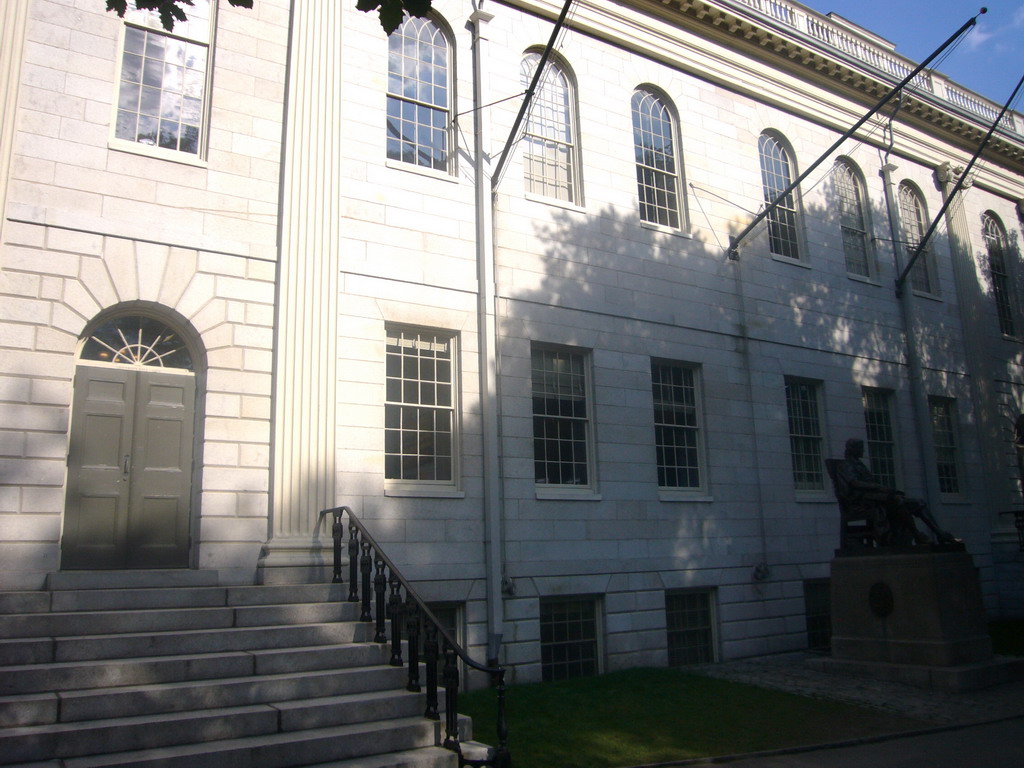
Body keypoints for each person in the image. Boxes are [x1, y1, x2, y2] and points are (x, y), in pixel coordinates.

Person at [836, 438, 956, 546]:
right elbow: (854, 483)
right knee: (898, 501)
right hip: (863, 501)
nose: (863, 451)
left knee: (918, 503)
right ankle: (917, 535)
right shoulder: (846, 464)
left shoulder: (859, 464)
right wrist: (878, 487)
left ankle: (940, 533)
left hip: (875, 497)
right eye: (860, 448)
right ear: (853, 449)